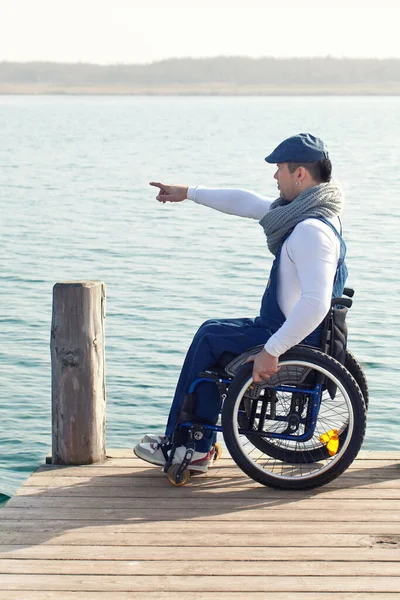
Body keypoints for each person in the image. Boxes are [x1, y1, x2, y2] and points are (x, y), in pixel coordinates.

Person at [134, 132, 348, 474]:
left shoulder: (311, 231)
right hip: (285, 328)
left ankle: (191, 447)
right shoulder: (311, 212)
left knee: (210, 341)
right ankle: (190, 438)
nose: (274, 176)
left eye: (279, 169)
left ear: (300, 174)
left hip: (290, 336)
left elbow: (316, 303)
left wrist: (273, 349)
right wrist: (188, 193)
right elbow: (247, 203)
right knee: (211, 330)